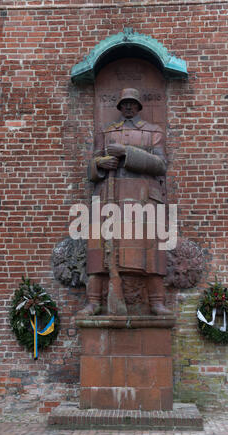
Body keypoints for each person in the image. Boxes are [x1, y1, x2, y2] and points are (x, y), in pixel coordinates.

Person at [79, 88, 170, 316]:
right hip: (110, 195)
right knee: (100, 250)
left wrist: (126, 153)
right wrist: (100, 165)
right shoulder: (107, 131)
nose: (128, 107)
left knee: (151, 252)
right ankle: (94, 302)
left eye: (132, 103)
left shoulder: (153, 131)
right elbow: (92, 166)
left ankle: (157, 303)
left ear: (139, 106)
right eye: (124, 104)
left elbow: (160, 165)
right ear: (119, 106)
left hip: (143, 198)